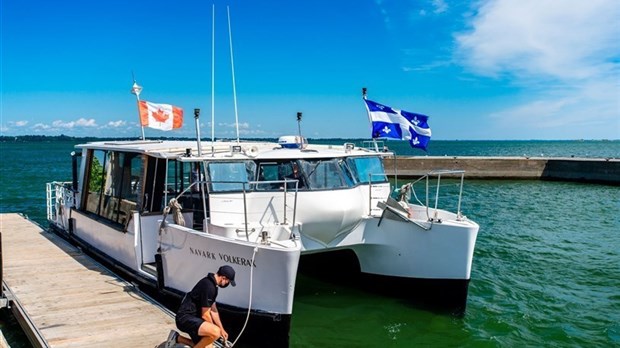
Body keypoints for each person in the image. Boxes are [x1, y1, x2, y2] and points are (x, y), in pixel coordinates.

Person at [165, 265, 237, 348]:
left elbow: (213, 310)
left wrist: (222, 329)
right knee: (215, 333)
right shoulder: (209, 286)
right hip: (185, 318)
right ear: (224, 278)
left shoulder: (213, 286)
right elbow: (205, 314)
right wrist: (214, 330)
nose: (227, 284)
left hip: (194, 318)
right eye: (228, 281)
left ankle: (177, 338)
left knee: (207, 344)